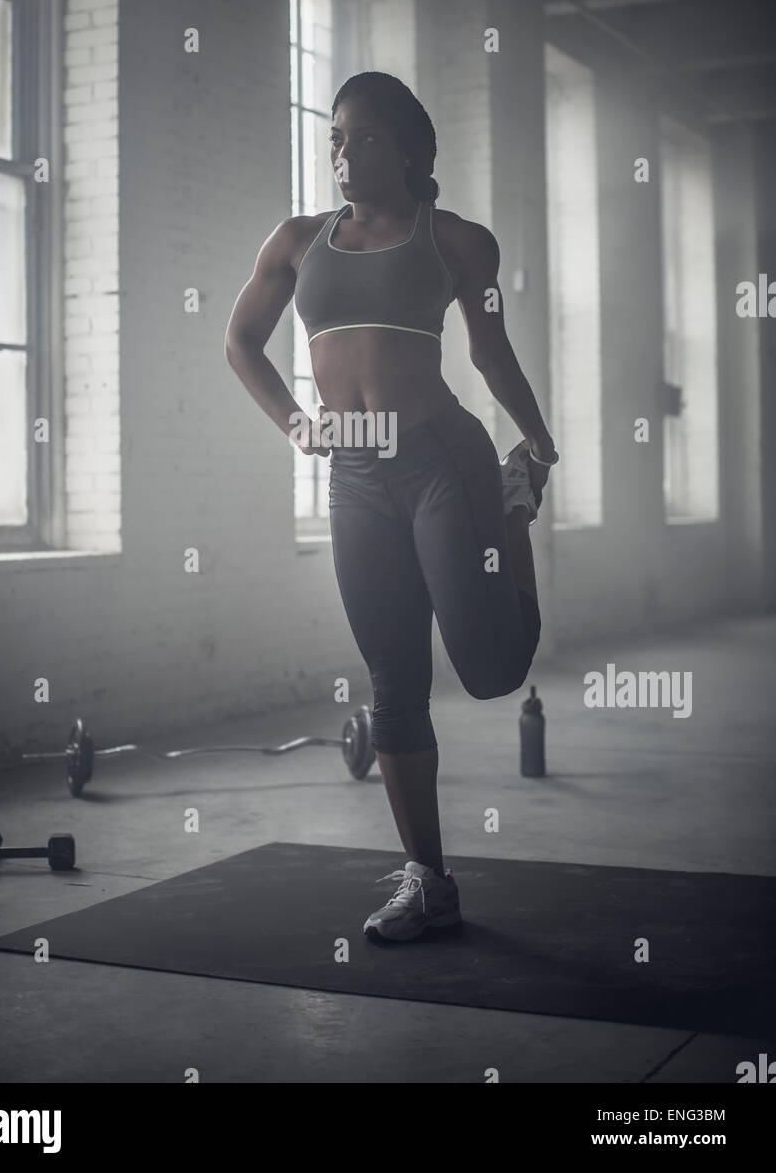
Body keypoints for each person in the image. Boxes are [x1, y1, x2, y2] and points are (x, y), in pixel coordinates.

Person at [225, 71, 559, 943]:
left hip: (444, 462)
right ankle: (429, 881)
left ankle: (512, 515)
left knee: (490, 671)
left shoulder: (456, 241)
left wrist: (537, 441)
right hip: (356, 478)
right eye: (335, 137)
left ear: (408, 149)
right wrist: (294, 422)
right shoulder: (297, 242)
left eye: (364, 137)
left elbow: (490, 354)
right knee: (391, 682)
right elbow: (241, 341)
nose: (343, 152)